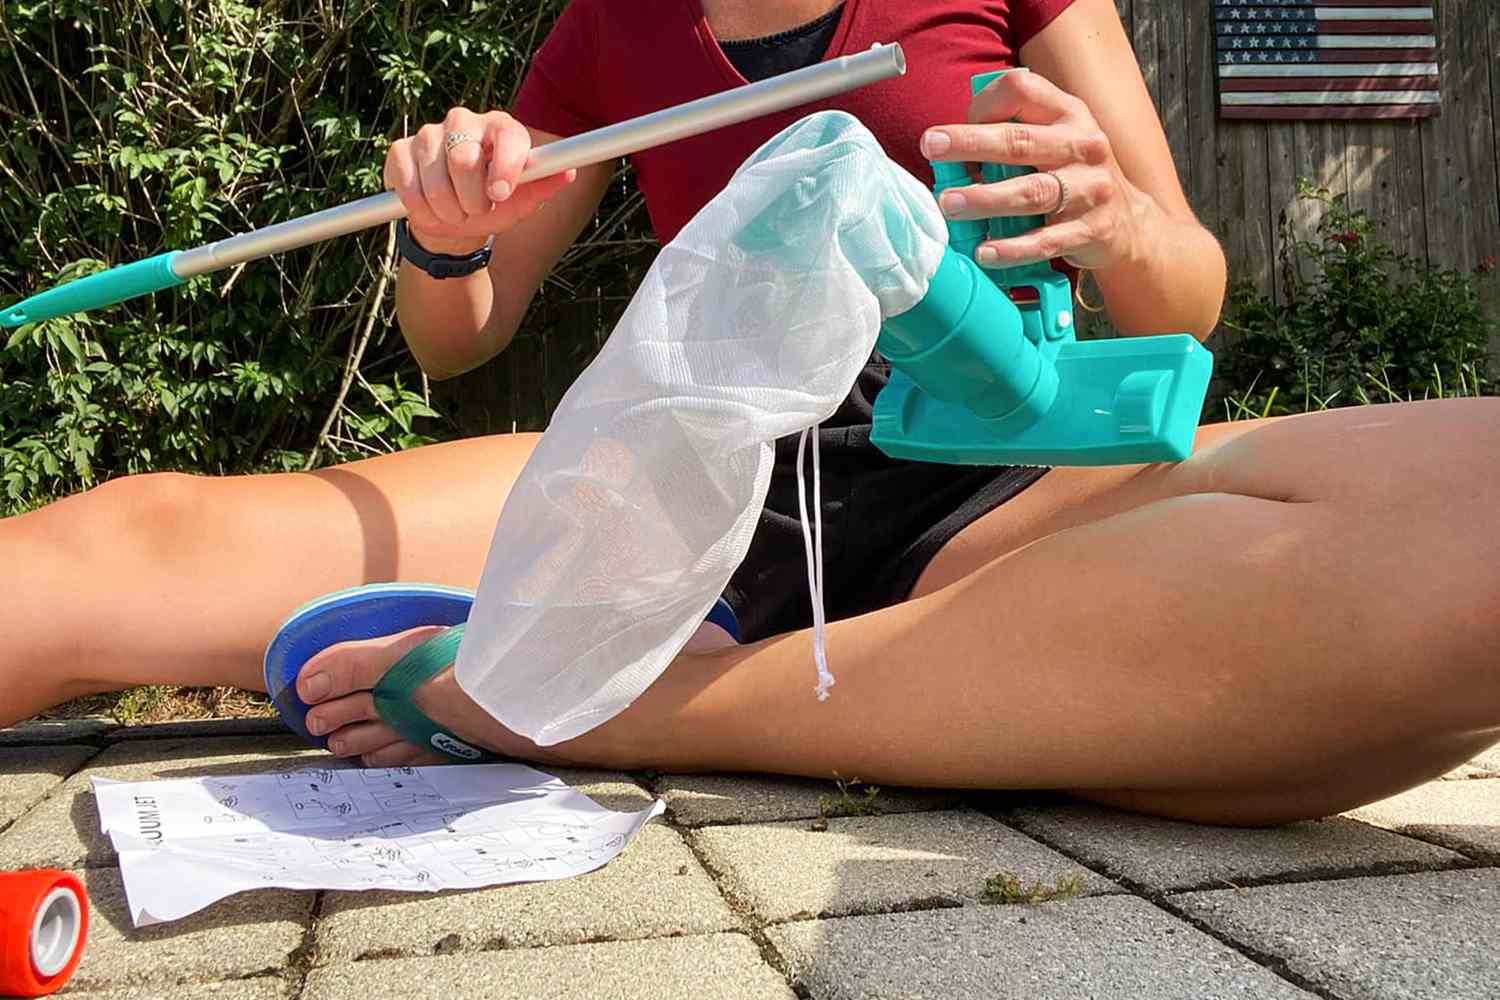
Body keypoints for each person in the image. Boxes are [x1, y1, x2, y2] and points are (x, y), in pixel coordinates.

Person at [7, 0, 1496, 826]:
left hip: (998, 481)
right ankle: (610, 664)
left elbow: (1187, 298)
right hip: (679, 467)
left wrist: (1116, 223)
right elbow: (461, 341)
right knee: (130, 544)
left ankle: (582, 699)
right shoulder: (609, 29)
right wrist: (445, 228)